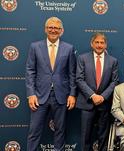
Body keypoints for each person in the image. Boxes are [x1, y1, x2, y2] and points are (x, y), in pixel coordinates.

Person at [26, 16, 76, 151]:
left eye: (56, 28)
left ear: (62, 31)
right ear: (45, 29)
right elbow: (30, 71)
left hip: (61, 96)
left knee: (60, 131)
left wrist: (72, 94)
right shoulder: (35, 47)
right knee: (34, 131)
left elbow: (72, 73)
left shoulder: (69, 48)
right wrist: (31, 94)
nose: (53, 30)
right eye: (50, 27)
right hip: (39, 96)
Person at [76, 33, 119, 151]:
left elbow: (115, 81)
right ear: (92, 44)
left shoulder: (113, 61)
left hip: (104, 104)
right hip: (87, 103)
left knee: (103, 136)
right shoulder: (82, 58)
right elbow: (79, 79)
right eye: (97, 42)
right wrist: (93, 95)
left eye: (102, 43)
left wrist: (103, 97)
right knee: (86, 136)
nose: (99, 45)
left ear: (106, 45)